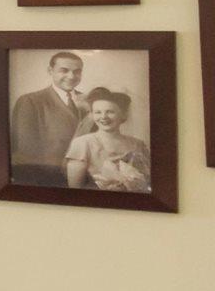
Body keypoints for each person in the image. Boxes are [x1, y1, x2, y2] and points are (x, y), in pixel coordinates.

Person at [9, 50, 86, 186]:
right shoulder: (30, 101)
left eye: (77, 71)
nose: (71, 76)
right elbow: (25, 150)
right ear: (50, 71)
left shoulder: (90, 101)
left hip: (84, 178)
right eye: (64, 70)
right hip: (47, 180)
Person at [65, 87, 153, 192]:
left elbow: (148, 182)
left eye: (110, 112)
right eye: (98, 112)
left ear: (123, 114)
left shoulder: (138, 144)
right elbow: (75, 189)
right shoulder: (82, 144)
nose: (103, 117)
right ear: (92, 115)